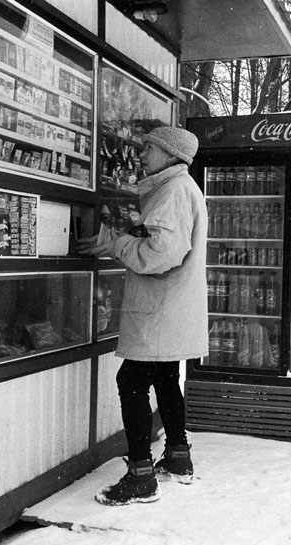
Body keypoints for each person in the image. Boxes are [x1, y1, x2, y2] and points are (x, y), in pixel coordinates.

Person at [77, 127, 208, 505]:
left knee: (131, 379)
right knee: (166, 376)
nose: (142, 154)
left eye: (149, 148)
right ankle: (178, 457)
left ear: (169, 155)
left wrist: (116, 243)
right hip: (172, 307)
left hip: (160, 308)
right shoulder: (179, 188)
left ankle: (140, 474)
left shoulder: (172, 191)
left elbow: (159, 254)